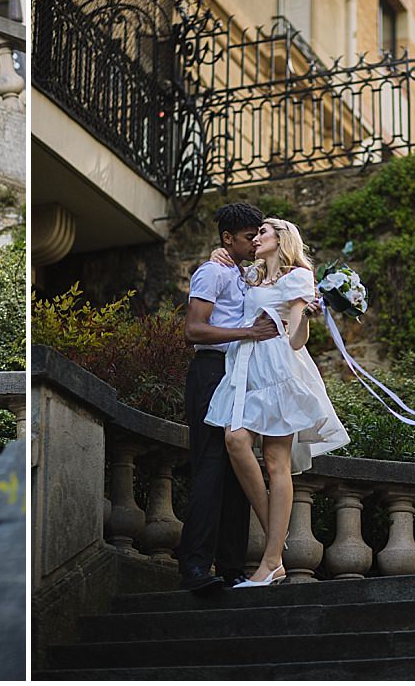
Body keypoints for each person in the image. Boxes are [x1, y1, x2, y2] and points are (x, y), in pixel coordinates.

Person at [204, 218, 349, 587]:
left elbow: (297, 339)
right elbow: (235, 290)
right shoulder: (250, 275)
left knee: (275, 461)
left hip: (279, 367)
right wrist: (217, 253)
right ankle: (276, 538)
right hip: (244, 365)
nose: (256, 238)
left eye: (263, 232)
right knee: (235, 440)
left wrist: (306, 319)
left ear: (281, 239)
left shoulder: (298, 277)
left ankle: (271, 561)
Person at [176, 203, 282, 593]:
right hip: (210, 373)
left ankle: (233, 566)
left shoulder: (243, 274)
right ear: (226, 239)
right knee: (209, 467)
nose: (255, 241)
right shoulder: (212, 271)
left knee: (239, 471)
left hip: (240, 376)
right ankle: (195, 568)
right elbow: (193, 330)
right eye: (247, 236)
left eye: (258, 235)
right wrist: (247, 333)